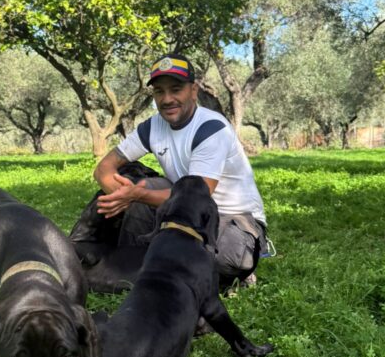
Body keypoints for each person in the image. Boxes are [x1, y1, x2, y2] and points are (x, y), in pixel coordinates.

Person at [92, 54, 270, 287]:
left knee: (227, 258)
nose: (167, 99)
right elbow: (104, 168)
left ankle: (227, 273)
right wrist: (121, 196)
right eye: (159, 91)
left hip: (232, 218)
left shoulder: (211, 128)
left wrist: (135, 195)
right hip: (183, 212)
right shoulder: (152, 126)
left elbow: (198, 195)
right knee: (139, 187)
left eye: (176, 89)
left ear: (193, 91)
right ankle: (139, 266)